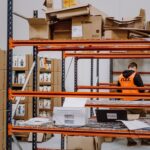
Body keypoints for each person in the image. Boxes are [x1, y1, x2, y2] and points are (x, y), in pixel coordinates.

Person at [117, 62, 150, 146]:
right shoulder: (136, 75)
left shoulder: (120, 76)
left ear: (128, 67)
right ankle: (145, 139)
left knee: (127, 121)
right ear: (135, 68)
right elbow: (142, 90)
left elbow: (118, 91)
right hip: (136, 103)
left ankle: (130, 141)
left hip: (125, 103)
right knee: (143, 118)